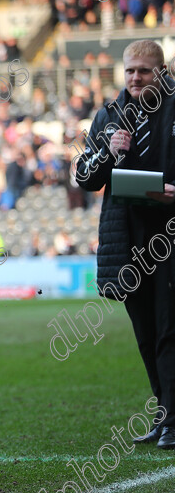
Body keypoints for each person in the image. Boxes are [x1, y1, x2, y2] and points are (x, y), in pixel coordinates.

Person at [75, 40, 175, 448]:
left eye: (144, 71)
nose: (136, 78)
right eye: (131, 70)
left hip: (168, 234)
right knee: (146, 333)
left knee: (170, 328)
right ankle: (165, 410)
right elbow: (84, 177)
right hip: (128, 238)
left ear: (162, 72)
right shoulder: (109, 116)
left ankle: (172, 418)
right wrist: (105, 151)